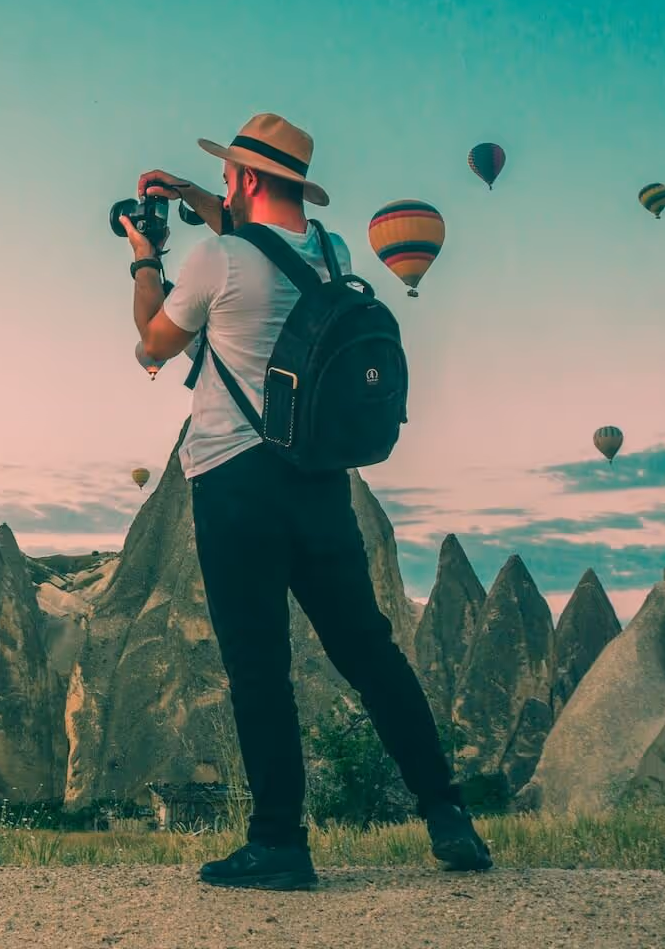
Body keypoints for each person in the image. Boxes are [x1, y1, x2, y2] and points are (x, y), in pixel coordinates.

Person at [123, 112, 492, 891]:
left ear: (249, 179)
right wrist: (192, 190)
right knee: (370, 652)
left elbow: (153, 344)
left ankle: (280, 843)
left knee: (259, 666)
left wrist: (144, 261)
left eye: (227, 175)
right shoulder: (332, 255)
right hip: (323, 483)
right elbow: (265, 242)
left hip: (234, 483)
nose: (221, 186)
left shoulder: (213, 260)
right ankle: (447, 812)